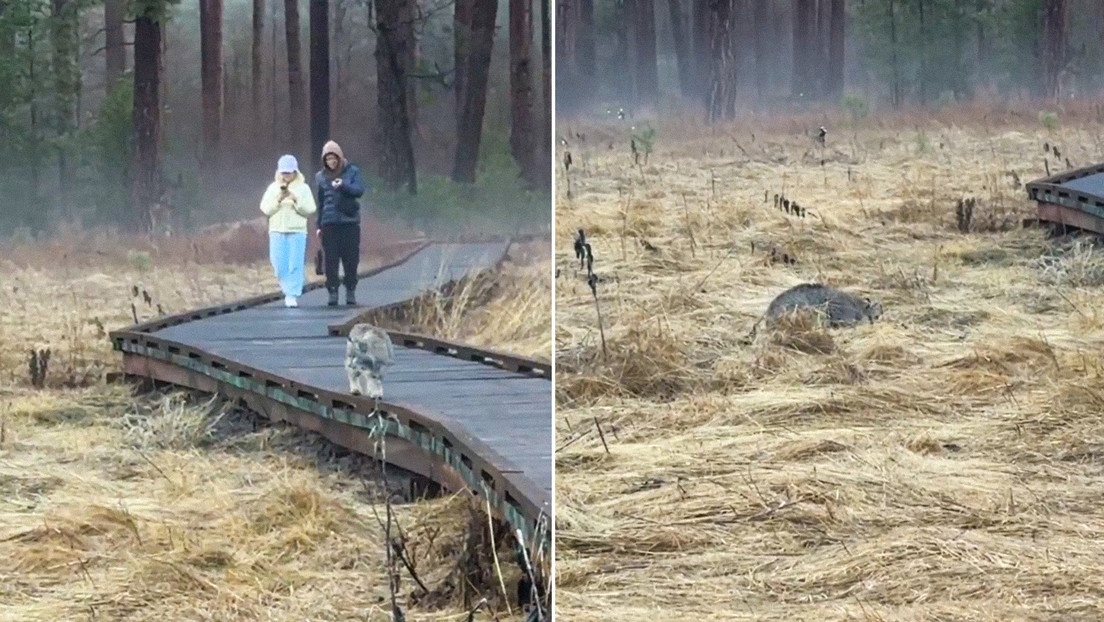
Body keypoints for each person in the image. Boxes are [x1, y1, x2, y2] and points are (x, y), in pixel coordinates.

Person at [260, 154, 317, 307]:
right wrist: (278, 200)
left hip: (297, 231)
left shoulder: (303, 188)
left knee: (295, 263)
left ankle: (291, 294)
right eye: (284, 172)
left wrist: (295, 200)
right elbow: (265, 208)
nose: (286, 176)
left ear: (295, 172)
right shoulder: (273, 188)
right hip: (277, 230)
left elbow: (310, 208)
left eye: (289, 172)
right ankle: (288, 287)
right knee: (278, 263)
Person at [314, 140, 366, 306]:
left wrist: (343, 186)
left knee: (351, 259)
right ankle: (332, 291)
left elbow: (359, 190)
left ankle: (350, 289)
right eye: (328, 159)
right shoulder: (320, 177)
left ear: (339, 156)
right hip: (329, 223)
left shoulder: (352, 172)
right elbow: (320, 202)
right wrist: (318, 225)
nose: (332, 162)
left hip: (349, 222)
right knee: (331, 261)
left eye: (334, 158)